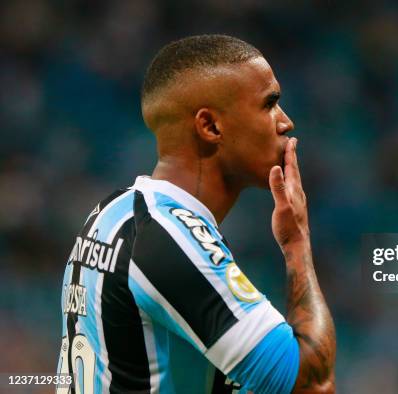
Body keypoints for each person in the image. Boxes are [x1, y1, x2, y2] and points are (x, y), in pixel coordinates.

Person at [56, 34, 336, 394]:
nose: (286, 122)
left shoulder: (111, 214)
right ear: (211, 127)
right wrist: (297, 243)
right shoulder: (167, 237)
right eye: (270, 105)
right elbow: (312, 383)